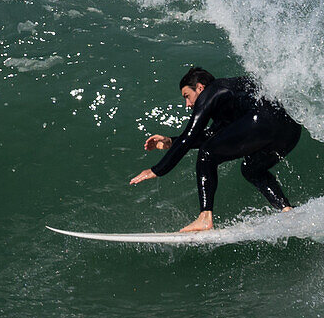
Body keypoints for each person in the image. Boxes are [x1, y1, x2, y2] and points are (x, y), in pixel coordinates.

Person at [130, 66, 303, 232]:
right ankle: (286, 210)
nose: (187, 104)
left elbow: (190, 135)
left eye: (187, 96)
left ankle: (205, 217)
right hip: (290, 129)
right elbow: (211, 135)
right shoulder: (228, 96)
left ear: (199, 87)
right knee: (251, 169)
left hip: (264, 119)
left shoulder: (211, 91)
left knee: (207, 153)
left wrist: (157, 170)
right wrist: (170, 141)